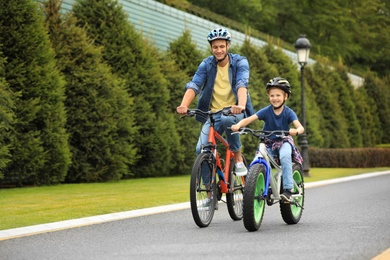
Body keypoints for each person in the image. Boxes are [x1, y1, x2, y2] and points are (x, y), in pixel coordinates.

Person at [177, 28, 254, 178]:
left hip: (235, 112)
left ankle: (237, 158)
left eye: (221, 46)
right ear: (211, 48)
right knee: (202, 149)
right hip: (212, 114)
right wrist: (184, 105)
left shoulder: (240, 61)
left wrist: (241, 105)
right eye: (215, 47)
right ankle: (207, 192)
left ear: (228, 46)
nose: (218, 50)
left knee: (227, 119)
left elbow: (241, 84)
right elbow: (194, 85)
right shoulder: (206, 64)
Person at [231, 77, 304, 202]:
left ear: (285, 96)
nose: (274, 98)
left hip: (283, 141)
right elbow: (250, 119)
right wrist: (238, 125)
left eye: (278, 95)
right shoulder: (266, 111)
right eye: (272, 95)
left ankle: (288, 190)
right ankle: (255, 187)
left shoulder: (288, 112)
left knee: (285, 156)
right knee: (257, 161)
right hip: (268, 143)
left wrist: (296, 131)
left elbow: (300, 127)